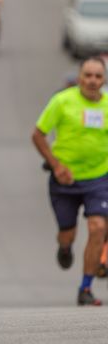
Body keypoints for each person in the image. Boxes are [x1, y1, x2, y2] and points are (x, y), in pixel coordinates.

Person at [31, 56, 108, 306]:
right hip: (65, 180)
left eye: (98, 76)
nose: (93, 81)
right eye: (88, 75)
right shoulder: (62, 101)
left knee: (98, 227)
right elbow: (38, 135)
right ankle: (65, 247)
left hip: (99, 178)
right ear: (79, 77)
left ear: (104, 79)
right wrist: (56, 165)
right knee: (68, 233)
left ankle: (85, 288)